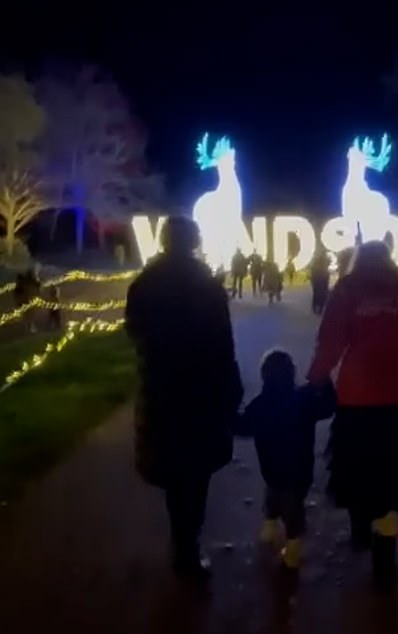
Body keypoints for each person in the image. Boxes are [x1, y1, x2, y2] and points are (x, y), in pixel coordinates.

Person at [307, 240, 398, 588]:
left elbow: (330, 341)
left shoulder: (349, 289)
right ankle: (385, 550)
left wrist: (316, 379)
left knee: (356, 466)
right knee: (395, 475)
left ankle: (359, 531)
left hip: (359, 396)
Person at [125, 216, 243, 581]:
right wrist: (230, 387)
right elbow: (223, 341)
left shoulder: (145, 283)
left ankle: (182, 541)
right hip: (201, 389)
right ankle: (188, 545)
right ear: (193, 240)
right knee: (196, 472)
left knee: (173, 468)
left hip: (162, 387)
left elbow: (134, 331)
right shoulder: (206, 284)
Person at [238, 350, 336, 570]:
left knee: (273, 494)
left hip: (271, 469)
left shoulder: (260, 405)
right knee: (294, 511)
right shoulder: (304, 399)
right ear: (292, 373)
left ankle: (269, 529)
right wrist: (325, 379)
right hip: (299, 471)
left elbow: (241, 426)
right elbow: (329, 406)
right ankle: (292, 550)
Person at [13, 267, 42, 333]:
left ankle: (29, 326)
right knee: (29, 315)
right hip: (26, 300)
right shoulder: (24, 284)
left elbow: (38, 285)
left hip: (27, 300)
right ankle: (29, 327)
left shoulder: (27, 282)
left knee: (29, 314)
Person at [309, 250, 330, 315]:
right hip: (321, 279)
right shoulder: (322, 263)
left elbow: (313, 272)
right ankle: (318, 308)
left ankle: (316, 307)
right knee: (321, 294)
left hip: (318, 279)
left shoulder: (317, 263)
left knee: (317, 293)